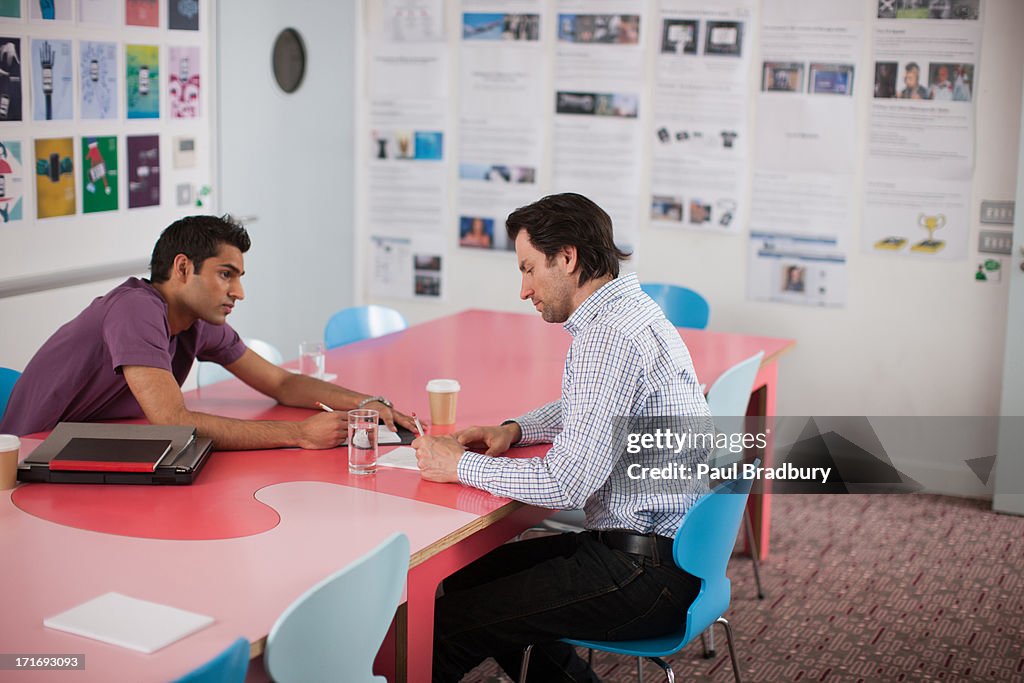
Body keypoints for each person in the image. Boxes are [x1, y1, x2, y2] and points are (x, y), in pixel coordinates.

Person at [413, 193, 713, 682]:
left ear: (567, 258)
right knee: (467, 576)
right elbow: (595, 406)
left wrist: (457, 466)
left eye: (529, 269)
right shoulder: (629, 312)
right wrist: (514, 430)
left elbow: (566, 484)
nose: (524, 289)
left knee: (445, 628)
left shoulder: (608, 336)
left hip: (646, 572)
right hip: (672, 552)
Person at [0, 215, 417, 447]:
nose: (238, 291)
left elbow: (283, 382)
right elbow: (171, 420)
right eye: (226, 275)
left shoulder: (195, 323)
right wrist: (298, 434)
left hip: (90, 447)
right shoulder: (135, 309)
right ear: (182, 268)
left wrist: (367, 403)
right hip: (31, 456)